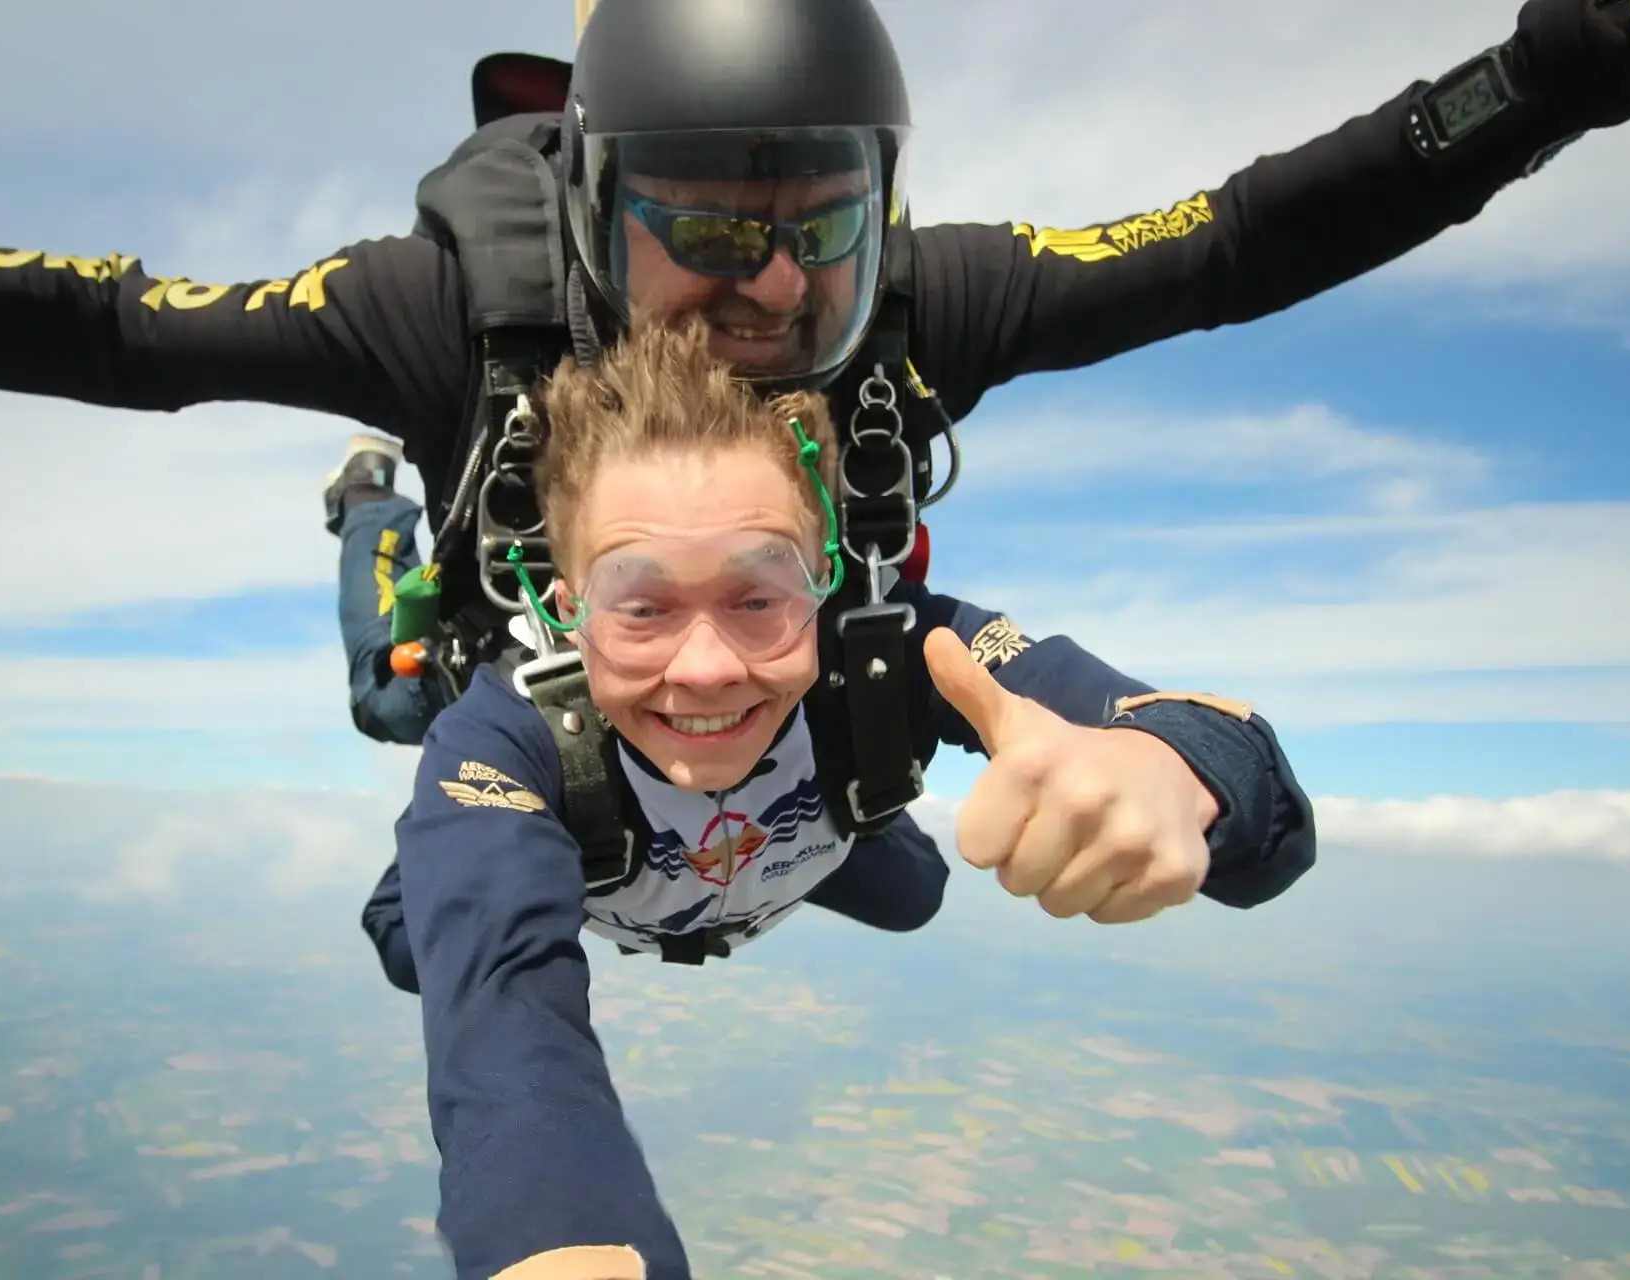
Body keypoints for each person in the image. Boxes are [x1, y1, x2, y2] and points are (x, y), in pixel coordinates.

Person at [0, 0, 1630, 754]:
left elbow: (1232, 247)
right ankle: (368, 533)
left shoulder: (916, 305)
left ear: (889, 208)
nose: (773, 283)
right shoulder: (434, 312)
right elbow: (108, 332)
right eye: (708, 231)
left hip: (746, 670)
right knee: (409, 714)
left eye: (824, 224)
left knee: (881, 866)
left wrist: (1537, 80)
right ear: (588, 209)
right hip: (539, 654)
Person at [377, 314, 1315, 1280]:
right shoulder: (505, 738)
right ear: (565, 609)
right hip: (560, 852)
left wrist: (1180, 777)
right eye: (642, 605)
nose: (705, 670)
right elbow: (505, 1023)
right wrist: (556, 1241)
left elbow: (1224, 767)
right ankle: (366, 506)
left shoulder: (898, 653)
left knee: (913, 895)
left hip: (780, 860)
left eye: (758, 595)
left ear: (825, 579)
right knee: (417, 926)